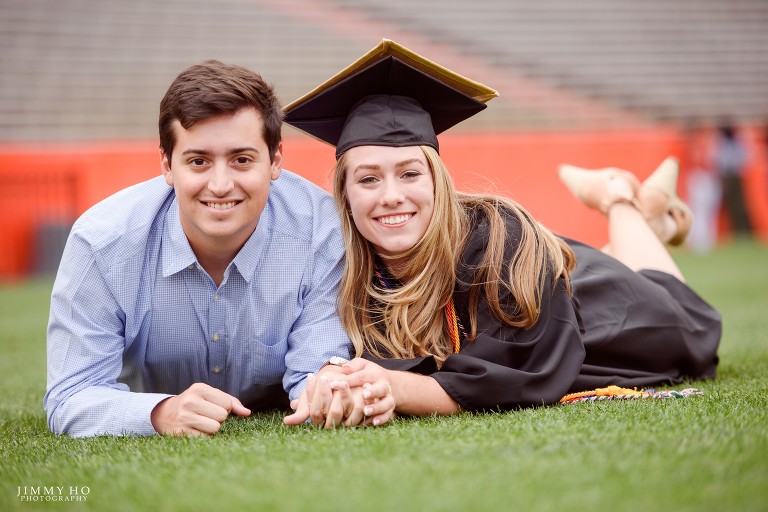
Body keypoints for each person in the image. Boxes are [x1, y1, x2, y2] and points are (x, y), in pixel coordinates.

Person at [283, 40, 722, 428]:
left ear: (438, 181)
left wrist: (395, 388)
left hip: (607, 317)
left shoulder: (501, 235)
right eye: (368, 179)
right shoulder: (342, 267)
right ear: (344, 194)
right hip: (556, 277)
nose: (392, 196)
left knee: (684, 318)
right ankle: (652, 221)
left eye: (410, 173)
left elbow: (515, 373)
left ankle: (619, 197)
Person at [44, 60, 352, 437]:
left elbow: (315, 376)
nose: (220, 185)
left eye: (241, 160)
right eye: (198, 161)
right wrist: (160, 414)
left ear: (275, 161)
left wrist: (325, 393)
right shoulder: (101, 243)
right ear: (167, 165)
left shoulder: (323, 232)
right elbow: (71, 396)